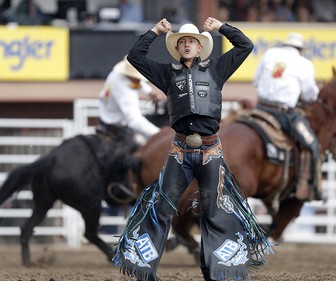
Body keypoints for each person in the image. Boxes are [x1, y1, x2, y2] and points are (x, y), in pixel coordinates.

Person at [113, 17, 273, 281]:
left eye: (192, 42)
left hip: (210, 149)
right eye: (183, 42)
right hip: (180, 150)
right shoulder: (167, 73)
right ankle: (145, 271)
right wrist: (155, 31)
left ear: (200, 47)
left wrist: (221, 27)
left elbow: (245, 45)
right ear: (178, 48)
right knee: (162, 207)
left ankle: (215, 271)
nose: (187, 45)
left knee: (214, 209)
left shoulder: (218, 68)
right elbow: (135, 56)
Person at [253, 32, 321, 201]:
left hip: (260, 108)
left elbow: (256, 80)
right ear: (300, 49)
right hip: (282, 113)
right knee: (312, 144)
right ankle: (306, 187)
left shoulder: (270, 54)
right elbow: (310, 95)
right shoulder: (304, 63)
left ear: (285, 45)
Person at [97, 55, 160, 148]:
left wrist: (149, 91)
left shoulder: (116, 74)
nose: (141, 79)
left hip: (106, 118)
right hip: (118, 127)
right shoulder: (124, 91)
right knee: (144, 148)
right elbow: (134, 120)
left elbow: (137, 81)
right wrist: (159, 133)